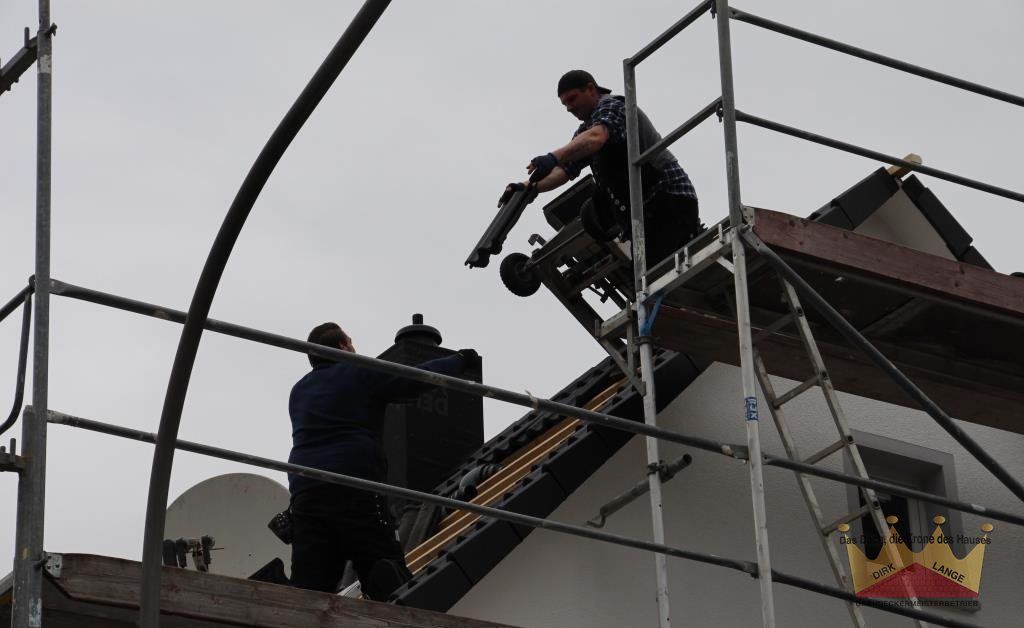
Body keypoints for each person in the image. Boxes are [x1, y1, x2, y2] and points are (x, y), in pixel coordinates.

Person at [287, 322, 476, 600]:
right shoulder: (357, 371)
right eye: (351, 342)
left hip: (306, 492)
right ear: (343, 346)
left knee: (310, 586)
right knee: (383, 568)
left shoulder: (298, 391)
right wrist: (459, 361)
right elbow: (415, 378)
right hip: (355, 484)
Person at [501, 69, 700, 267]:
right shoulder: (585, 131)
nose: (569, 108)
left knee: (653, 278)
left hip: (670, 199)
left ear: (590, 89)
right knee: (645, 277)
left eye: (572, 99)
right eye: (564, 104)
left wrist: (553, 156)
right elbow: (564, 169)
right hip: (645, 212)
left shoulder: (613, 105)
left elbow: (596, 138)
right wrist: (528, 187)